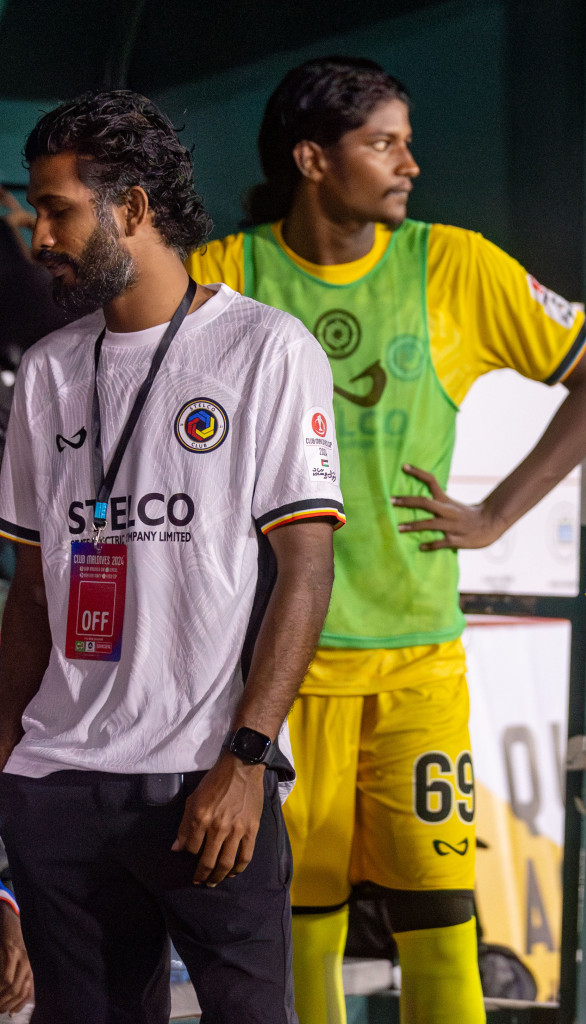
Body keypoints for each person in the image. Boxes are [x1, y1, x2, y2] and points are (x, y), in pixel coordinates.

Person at [187, 57, 586, 1024]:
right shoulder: (228, 277)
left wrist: (500, 514)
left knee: (441, 920)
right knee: (295, 925)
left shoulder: (454, 265)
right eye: (383, 142)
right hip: (275, 674)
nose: (410, 163)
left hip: (418, 664)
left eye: (407, 139)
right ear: (313, 158)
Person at [0, 91, 343, 1022]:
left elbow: (306, 573)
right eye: (35, 212)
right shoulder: (48, 370)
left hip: (205, 784)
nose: (39, 237)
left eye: (58, 210)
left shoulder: (265, 350)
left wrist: (245, 757)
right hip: (57, 785)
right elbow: (33, 594)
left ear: (135, 210)